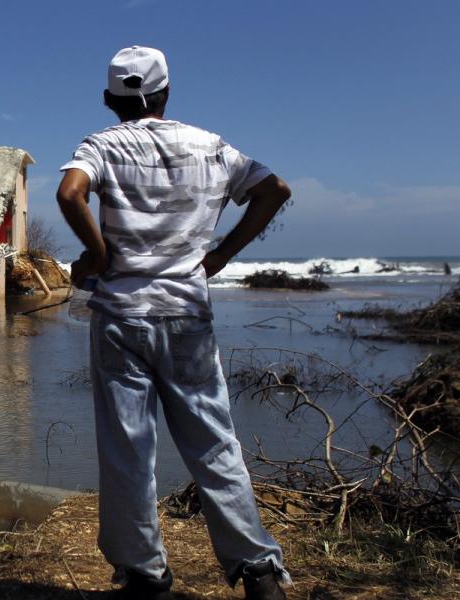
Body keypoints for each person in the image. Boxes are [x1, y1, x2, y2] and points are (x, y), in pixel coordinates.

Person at [55, 46, 292, 600]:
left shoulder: (101, 145)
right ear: (165, 95)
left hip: (120, 317)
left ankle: (145, 575)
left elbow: (69, 193)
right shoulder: (210, 145)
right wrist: (223, 255)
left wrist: (96, 254)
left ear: (110, 99)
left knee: (128, 449)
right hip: (187, 315)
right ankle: (257, 571)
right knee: (214, 443)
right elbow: (274, 190)